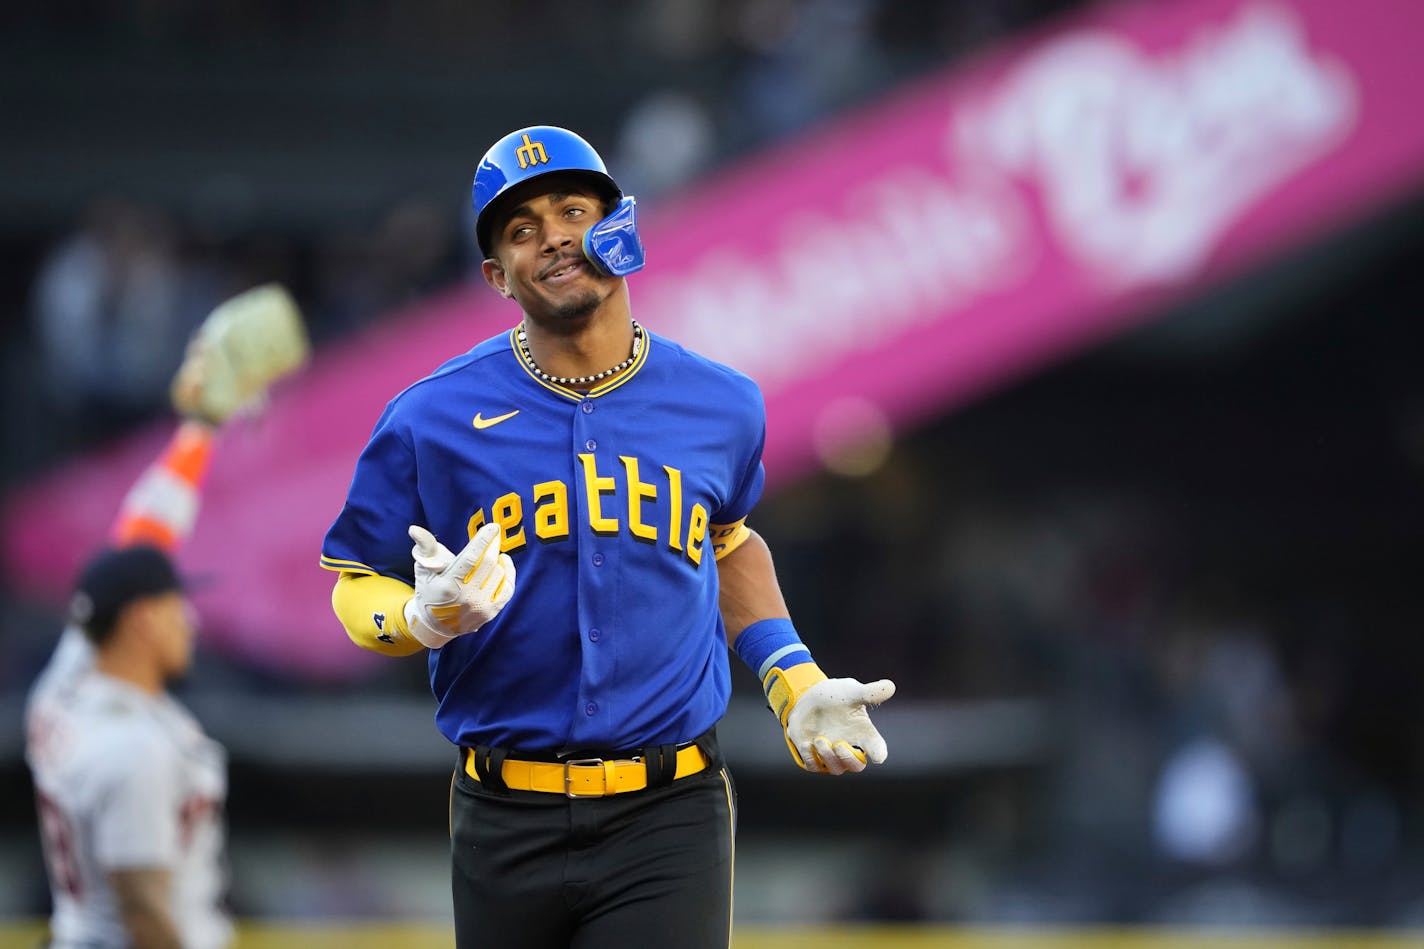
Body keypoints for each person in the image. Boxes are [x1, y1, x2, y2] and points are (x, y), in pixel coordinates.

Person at [320, 125, 896, 947]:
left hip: (669, 810)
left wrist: (793, 678)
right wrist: (420, 617)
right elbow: (354, 579)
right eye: (521, 230)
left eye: (572, 209)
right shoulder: (429, 417)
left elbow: (726, 543)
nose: (553, 235)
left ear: (619, 223)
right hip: (502, 811)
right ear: (497, 275)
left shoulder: (722, 403)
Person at [24, 288, 307, 949]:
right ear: (143, 621)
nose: (192, 621)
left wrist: (199, 428)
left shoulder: (64, 688)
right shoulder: (132, 749)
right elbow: (145, 911)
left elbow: (138, 545)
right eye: (177, 606)